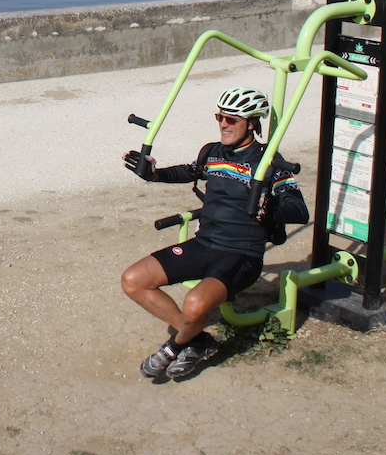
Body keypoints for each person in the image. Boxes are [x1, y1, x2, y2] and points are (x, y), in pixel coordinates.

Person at [120, 87, 307, 381]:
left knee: (194, 303)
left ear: (253, 123)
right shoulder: (212, 151)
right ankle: (197, 340)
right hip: (204, 244)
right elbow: (190, 171)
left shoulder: (269, 161)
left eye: (232, 119)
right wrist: (154, 174)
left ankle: (174, 346)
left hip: (241, 254)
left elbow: (299, 210)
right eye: (220, 116)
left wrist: (268, 213)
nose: (223, 124)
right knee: (133, 280)